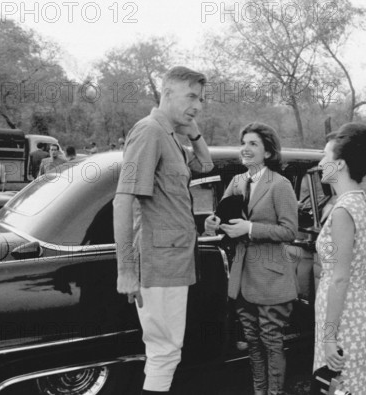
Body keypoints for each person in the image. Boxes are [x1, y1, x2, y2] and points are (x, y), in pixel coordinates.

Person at [113, 66, 213, 395]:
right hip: (158, 262)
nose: (197, 105)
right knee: (164, 352)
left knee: (166, 352)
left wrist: (193, 130)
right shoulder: (149, 132)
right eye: (191, 97)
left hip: (173, 260)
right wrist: (127, 269)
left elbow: (206, 166)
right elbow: (122, 201)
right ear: (167, 94)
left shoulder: (169, 134)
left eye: (200, 99)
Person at [204, 122, 298, 395]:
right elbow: (224, 218)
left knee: (272, 342)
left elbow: (289, 231)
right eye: (243, 142)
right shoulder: (237, 182)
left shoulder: (280, 185)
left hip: (271, 279)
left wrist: (251, 229)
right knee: (253, 343)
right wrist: (213, 224)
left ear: (268, 152)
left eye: (253, 143)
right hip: (242, 276)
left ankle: (274, 392)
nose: (245, 148)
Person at [312, 124, 366, 394]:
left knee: (336, 388)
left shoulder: (344, 209)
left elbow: (340, 278)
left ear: (339, 164)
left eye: (325, 157)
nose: (321, 162)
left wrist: (329, 337)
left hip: (343, 322)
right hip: (363, 313)